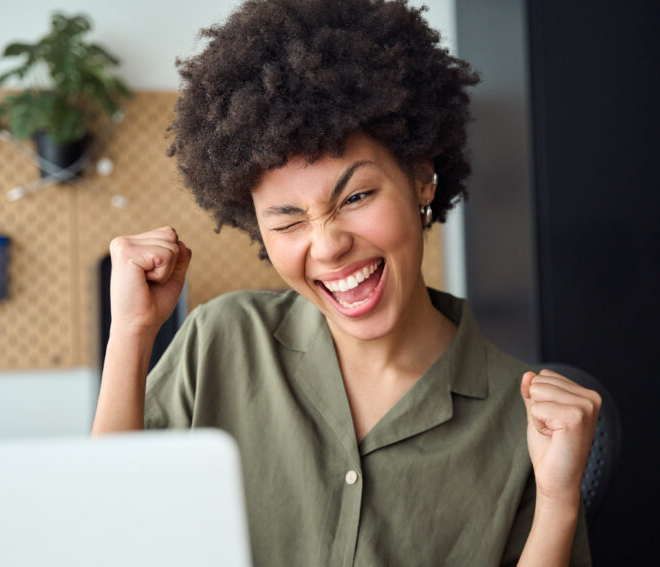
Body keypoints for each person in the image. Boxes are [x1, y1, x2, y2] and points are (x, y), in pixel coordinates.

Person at [92, 1, 600, 565]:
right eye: (287, 220)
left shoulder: (522, 418)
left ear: (422, 178)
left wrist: (557, 501)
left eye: (355, 197)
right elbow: (104, 532)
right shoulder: (220, 341)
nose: (328, 244)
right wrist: (131, 335)